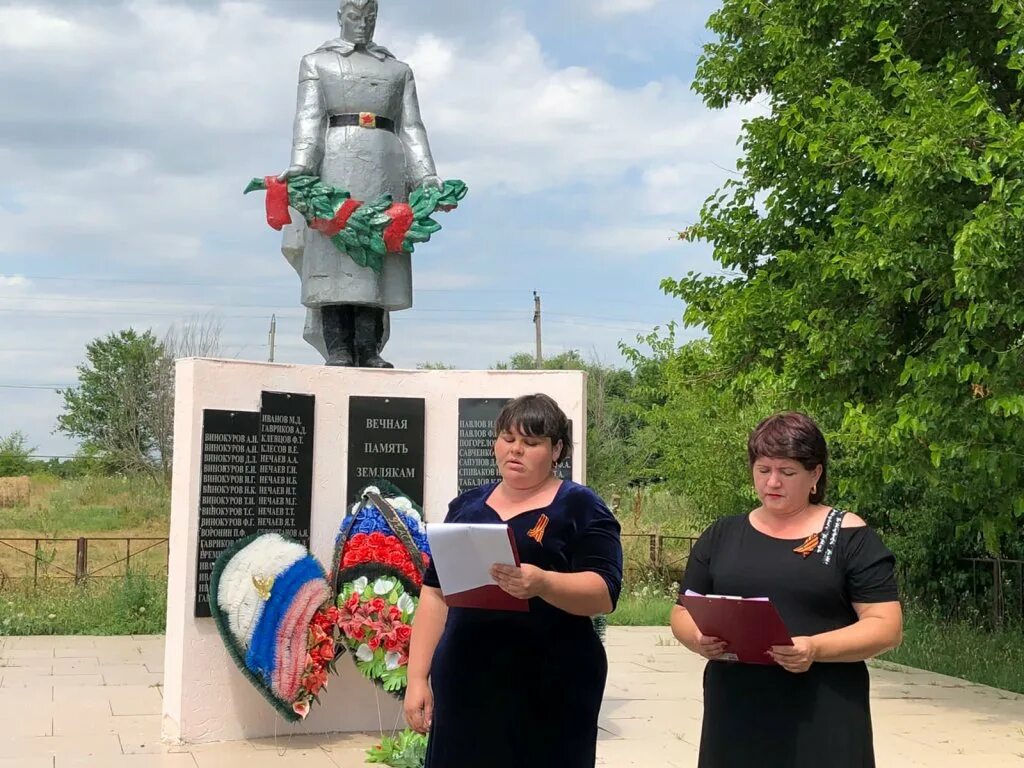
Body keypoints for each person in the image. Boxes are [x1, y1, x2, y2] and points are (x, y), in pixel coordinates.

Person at [670, 412, 903, 768]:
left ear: (815, 475)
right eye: (763, 470)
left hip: (824, 708)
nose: (773, 482)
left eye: (787, 472)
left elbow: (886, 626)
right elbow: (683, 610)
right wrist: (697, 638)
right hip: (736, 708)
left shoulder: (849, 535)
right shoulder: (722, 534)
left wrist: (814, 647)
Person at [405, 394, 623, 768]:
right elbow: (435, 594)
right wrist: (416, 678)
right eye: (508, 439)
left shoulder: (580, 506)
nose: (516, 450)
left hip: (550, 684)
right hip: (466, 678)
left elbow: (604, 592)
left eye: (532, 442)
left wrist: (544, 584)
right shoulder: (466, 507)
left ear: (557, 450)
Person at [279, 0, 442, 368]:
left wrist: (426, 176)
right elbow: (308, 118)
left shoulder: (398, 70)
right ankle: (338, 346)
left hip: (386, 162)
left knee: (377, 253)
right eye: (354, 17)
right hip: (334, 162)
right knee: (335, 256)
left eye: (370, 18)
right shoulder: (317, 63)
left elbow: (412, 127)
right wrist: (302, 165)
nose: (362, 25)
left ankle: (369, 348)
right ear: (340, 17)